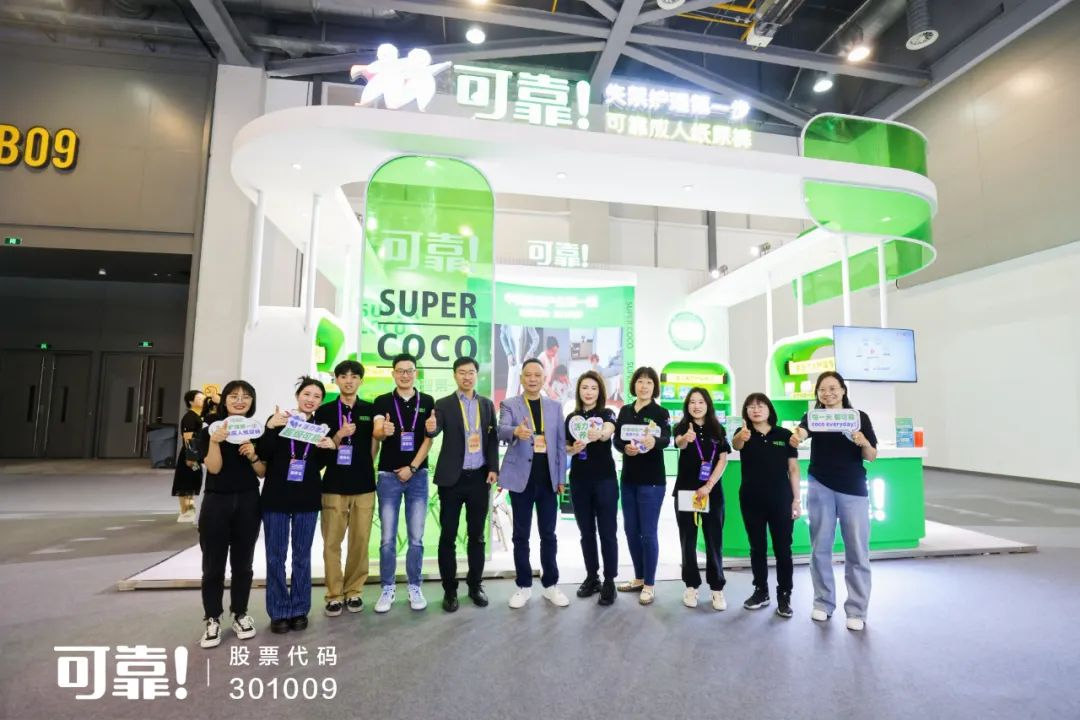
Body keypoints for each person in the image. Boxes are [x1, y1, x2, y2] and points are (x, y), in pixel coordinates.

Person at [790, 371, 878, 632]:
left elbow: (871, 455)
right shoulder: (813, 416)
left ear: (843, 390)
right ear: (817, 394)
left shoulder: (858, 417)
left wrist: (863, 441)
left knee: (857, 550)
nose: (827, 393)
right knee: (820, 547)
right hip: (820, 486)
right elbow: (802, 432)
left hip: (853, 488)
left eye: (832, 388)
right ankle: (823, 603)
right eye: (822, 390)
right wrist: (797, 435)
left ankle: (857, 610)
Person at [258, 377, 337, 634]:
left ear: (320, 402)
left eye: (316, 396)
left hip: (307, 498)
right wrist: (270, 426)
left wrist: (330, 446)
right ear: (297, 396)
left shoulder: (320, 428)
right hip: (276, 497)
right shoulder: (281, 420)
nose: (310, 399)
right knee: (275, 556)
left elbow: (319, 463)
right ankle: (279, 611)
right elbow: (264, 453)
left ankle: (300, 608)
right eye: (307, 394)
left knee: (302, 556)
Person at [425, 356, 499, 613]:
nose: (467, 377)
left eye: (471, 372)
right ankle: (450, 590)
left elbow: (492, 439)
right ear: (455, 375)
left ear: (477, 375)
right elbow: (434, 431)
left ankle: (475, 586)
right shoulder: (443, 404)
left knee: (477, 536)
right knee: (448, 536)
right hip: (451, 481)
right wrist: (430, 428)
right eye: (462, 372)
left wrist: (493, 468)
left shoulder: (487, 405)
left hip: (479, 478)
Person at [196, 380, 264, 649]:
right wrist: (215, 442)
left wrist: (253, 454)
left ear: (252, 402)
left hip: (248, 500)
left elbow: (262, 472)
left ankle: (240, 614)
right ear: (224, 400)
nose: (239, 401)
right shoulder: (211, 429)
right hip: (217, 501)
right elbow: (213, 468)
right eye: (234, 396)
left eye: (246, 397)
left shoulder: (255, 430)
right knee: (213, 564)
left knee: (243, 563)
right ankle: (212, 617)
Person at [498, 359, 569, 609]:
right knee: (521, 535)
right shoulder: (510, 404)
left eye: (537, 375)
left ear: (543, 378)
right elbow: (501, 430)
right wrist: (515, 432)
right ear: (521, 378)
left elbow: (560, 445)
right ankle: (524, 586)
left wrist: (561, 478)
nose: (532, 379)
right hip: (521, 480)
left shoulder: (555, 407)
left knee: (549, 534)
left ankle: (550, 585)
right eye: (528, 375)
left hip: (548, 480)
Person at [371, 353, 435, 613]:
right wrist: (382, 431)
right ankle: (387, 587)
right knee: (387, 538)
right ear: (393, 373)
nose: (405, 375)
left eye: (409, 370)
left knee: (416, 538)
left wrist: (412, 467)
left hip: (417, 476)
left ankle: (414, 586)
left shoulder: (427, 401)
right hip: (388, 476)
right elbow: (377, 431)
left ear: (415, 373)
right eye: (400, 371)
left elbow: (429, 439)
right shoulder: (382, 401)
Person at [313, 360, 376, 618]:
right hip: (333, 486)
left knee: (360, 542)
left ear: (361, 380)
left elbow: (374, 445)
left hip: (364, 485)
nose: (349, 381)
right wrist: (339, 435)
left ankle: (354, 591)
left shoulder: (370, 410)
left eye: (354, 376)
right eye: (343, 376)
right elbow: (319, 452)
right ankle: (334, 595)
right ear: (336, 380)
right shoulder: (324, 412)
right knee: (332, 543)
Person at [732, 393, 801, 618]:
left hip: (781, 500)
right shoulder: (743, 433)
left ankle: (784, 595)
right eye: (750, 406)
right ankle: (761, 591)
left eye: (760, 405)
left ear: (769, 409)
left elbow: (793, 469)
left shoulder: (784, 435)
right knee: (757, 547)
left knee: (783, 549)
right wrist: (741, 436)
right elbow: (736, 445)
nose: (756, 409)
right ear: (746, 412)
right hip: (751, 499)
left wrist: (796, 499)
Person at [613, 366, 671, 605]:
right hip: (628, 479)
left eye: (648, 382)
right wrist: (624, 448)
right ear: (634, 385)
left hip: (652, 482)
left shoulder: (660, 412)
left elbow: (666, 438)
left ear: (654, 386)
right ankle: (638, 577)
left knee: (648, 532)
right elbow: (617, 439)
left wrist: (653, 441)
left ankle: (649, 583)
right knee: (630, 530)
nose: (644, 386)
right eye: (640, 381)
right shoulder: (625, 411)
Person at [672, 387, 731, 611]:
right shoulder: (682, 427)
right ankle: (691, 586)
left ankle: (717, 588)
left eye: (701, 402)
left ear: (708, 405)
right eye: (692, 402)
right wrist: (685, 439)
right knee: (687, 539)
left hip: (711, 492)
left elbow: (723, 459)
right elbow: (679, 443)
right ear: (687, 405)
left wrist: (709, 485)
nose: (696, 406)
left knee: (714, 539)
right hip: (686, 491)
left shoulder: (718, 428)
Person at [564, 370, 619, 605]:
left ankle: (609, 581)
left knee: (607, 532)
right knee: (586, 532)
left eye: (594, 388)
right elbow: (565, 447)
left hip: (605, 481)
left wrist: (600, 433)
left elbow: (608, 430)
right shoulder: (572, 418)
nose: (589, 392)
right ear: (579, 391)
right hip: (579, 481)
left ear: (600, 391)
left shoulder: (607, 413)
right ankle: (592, 577)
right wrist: (573, 449)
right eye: (585, 387)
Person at [172, 390, 205, 524]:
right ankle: (185, 511)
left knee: (193, 480)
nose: (203, 400)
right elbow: (188, 439)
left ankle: (190, 509)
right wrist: (191, 458)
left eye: (203, 398)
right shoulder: (189, 417)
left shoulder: (200, 416)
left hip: (196, 455)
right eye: (199, 398)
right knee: (185, 482)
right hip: (189, 456)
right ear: (191, 401)